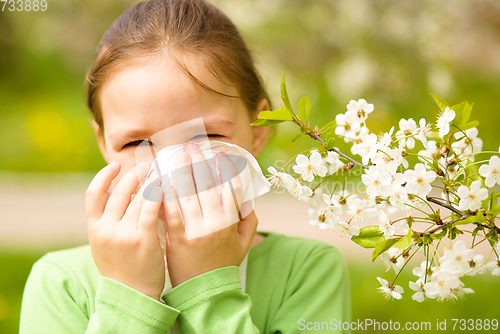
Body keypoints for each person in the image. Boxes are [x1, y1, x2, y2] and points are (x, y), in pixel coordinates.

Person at [19, 0, 351, 333]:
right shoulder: (61, 283)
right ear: (104, 141)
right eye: (136, 143)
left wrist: (208, 291)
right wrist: (128, 299)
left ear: (257, 130)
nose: (171, 169)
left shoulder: (306, 271)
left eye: (205, 136)